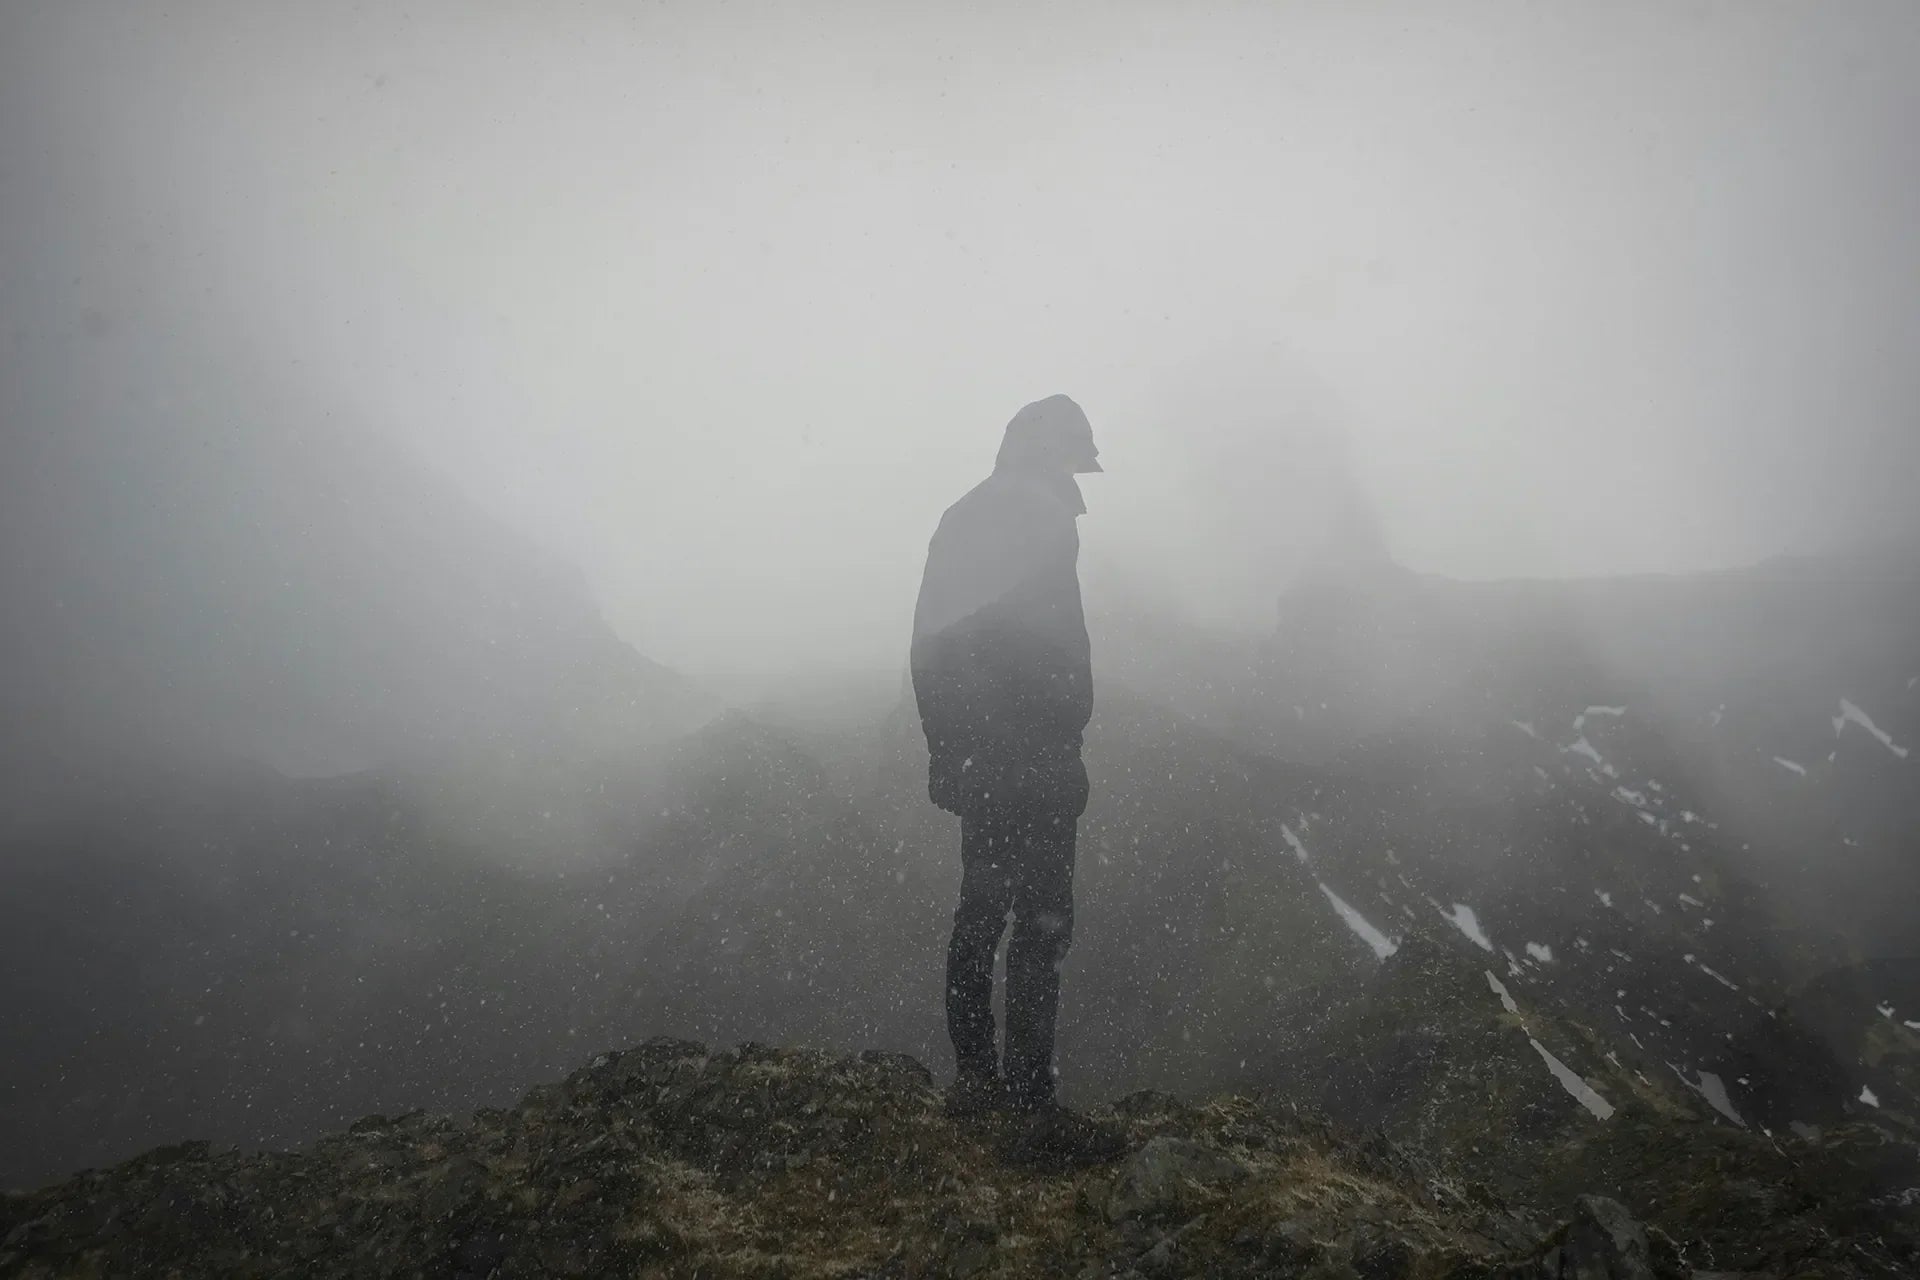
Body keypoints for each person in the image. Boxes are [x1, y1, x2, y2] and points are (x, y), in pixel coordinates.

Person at [911, 395, 1121, 1161]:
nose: (1076, 474)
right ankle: (1029, 1103)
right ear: (1050, 453)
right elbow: (1029, 644)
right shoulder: (1031, 519)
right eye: (1072, 458)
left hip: (999, 757)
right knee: (1037, 925)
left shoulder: (972, 517)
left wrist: (951, 748)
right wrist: (1057, 731)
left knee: (986, 912)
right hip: (1029, 756)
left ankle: (980, 1087)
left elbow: (932, 643)